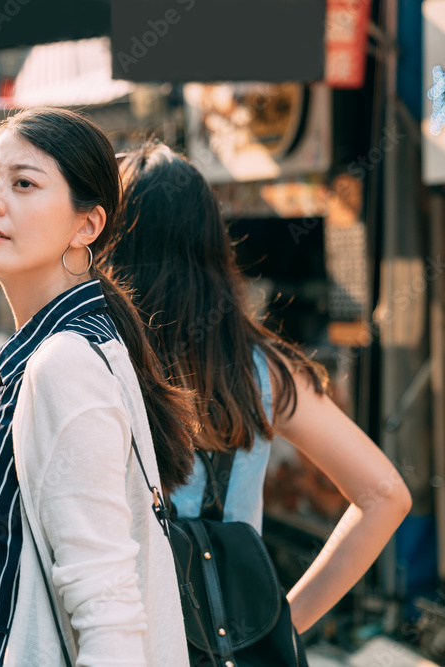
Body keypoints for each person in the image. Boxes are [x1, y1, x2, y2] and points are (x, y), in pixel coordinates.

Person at [0, 109, 197, 666]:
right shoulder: (51, 354)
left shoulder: (65, 365)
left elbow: (109, 616)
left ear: (87, 225)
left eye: (24, 183)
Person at [110, 141, 413, 634]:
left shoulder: (89, 361)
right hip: (228, 640)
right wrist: (281, 626)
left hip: (116, 636)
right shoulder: (264, 369)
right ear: (212, 244)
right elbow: (385, 495)